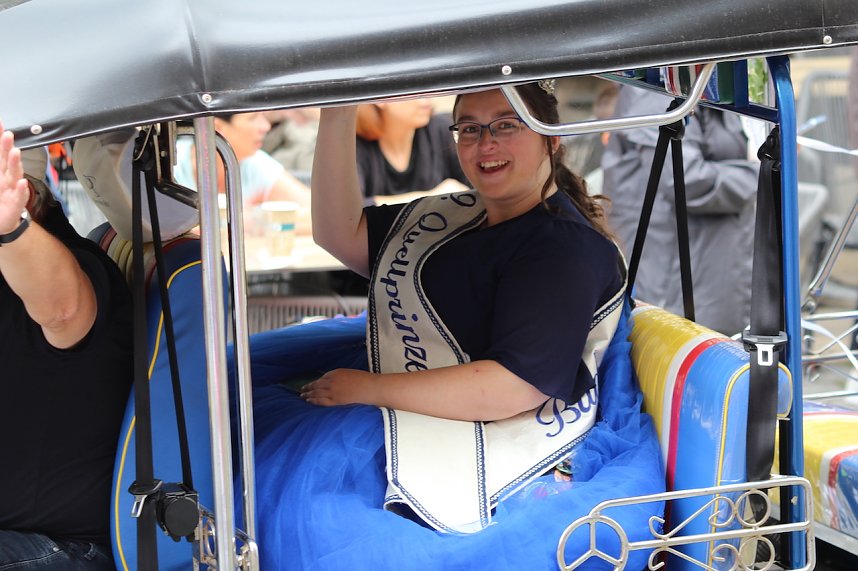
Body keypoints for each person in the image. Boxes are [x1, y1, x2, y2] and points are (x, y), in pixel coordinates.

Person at [246, 83, 664, 569]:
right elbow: (340, 235)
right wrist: (338, 112)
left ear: (551, 138)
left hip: (480, 426)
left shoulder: (561, 249)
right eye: (469, 129)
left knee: (313, 504)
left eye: (506, 125)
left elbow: (514, 389)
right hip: (415, 402)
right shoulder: (462, 215)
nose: (485, 143)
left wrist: (369, 389)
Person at [0, 124, 133, 568]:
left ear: (27, 200)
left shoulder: (74, 264)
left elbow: (63, 310)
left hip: (59, 548)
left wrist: (9, 229)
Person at [601, 85, 759, 334]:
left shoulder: (706, 82)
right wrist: (761, 173)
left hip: (710, 262)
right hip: (674, 269)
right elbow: (684, 180)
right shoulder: (658, 89)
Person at [173, 111, 312, 232]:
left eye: (263, 116)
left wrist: (255, 219)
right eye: (253, 118)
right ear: (217, 128)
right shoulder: (172, 165)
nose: (265, 127)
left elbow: (317, 216)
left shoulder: (254, 164)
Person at [354, 98, 470, 204]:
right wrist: (432, 198)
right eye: (412, 87)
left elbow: (477, 189)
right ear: (380, 99)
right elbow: (351, 211)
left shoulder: (442, 129)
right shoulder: (354, 147)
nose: (426, 97)